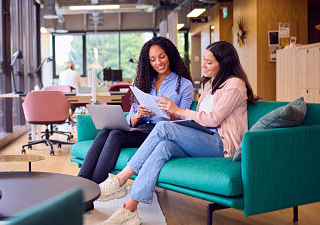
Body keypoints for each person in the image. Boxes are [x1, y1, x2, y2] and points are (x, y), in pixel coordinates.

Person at [99, 41, 257, 225]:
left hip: (222, 145)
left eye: (209, 62)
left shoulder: (235, 85)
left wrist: (177, 111)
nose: (203, 65)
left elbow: (213, 119)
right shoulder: (211, 85)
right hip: (205, 138)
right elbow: (200, 120)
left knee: (163, 127)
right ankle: (130, 209)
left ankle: (120, 179)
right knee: (163, 147)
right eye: (204, 60)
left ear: (224, 63)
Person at [78, 36, 194, 190]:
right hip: (141, 128)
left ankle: (95, 189)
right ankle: (80, 185)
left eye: (162, 56)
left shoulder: (184, 85)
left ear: (170, 55)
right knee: (104, 132)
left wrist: (170, 111)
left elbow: (183, 120)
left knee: (116, 135)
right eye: (153, 59)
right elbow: (130, 119)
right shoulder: (144, 81)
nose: (158, 62)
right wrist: (138, 114)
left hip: (160, 132)